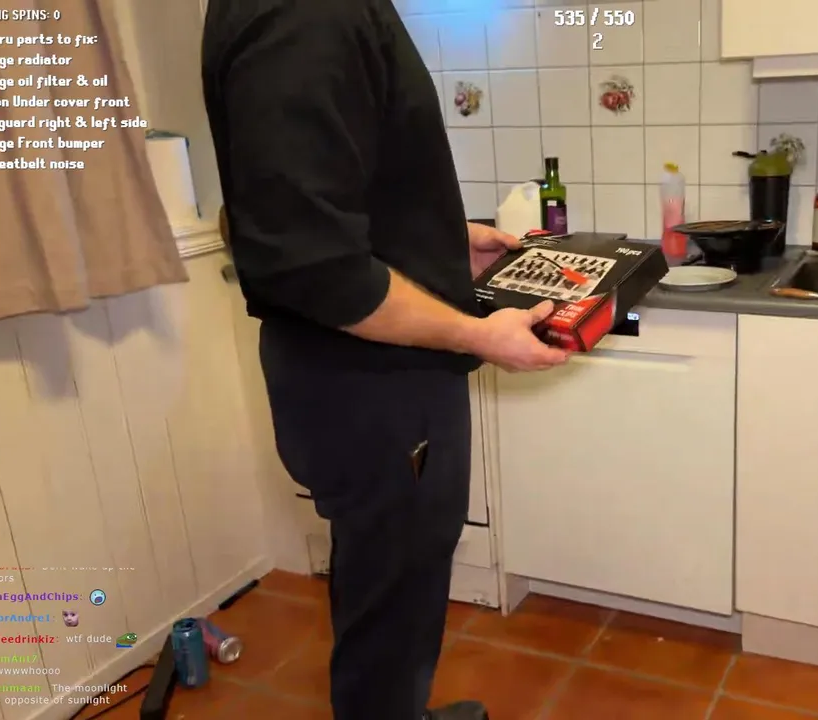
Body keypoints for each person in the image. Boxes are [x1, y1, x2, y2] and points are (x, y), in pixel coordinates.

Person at [200, 0, 570, 718]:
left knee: (391, 586)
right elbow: (318, 265)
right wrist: (479, 334)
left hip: (368, 378)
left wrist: (441, 242)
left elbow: (329, 194)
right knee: (390, 610)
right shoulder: (306, 13)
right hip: (373, 386)